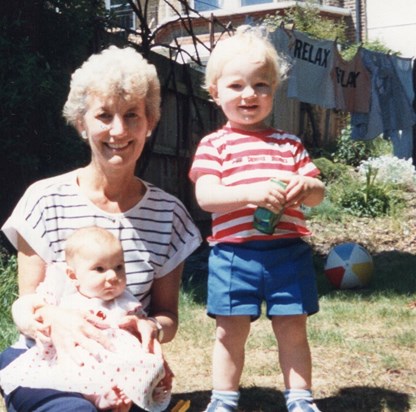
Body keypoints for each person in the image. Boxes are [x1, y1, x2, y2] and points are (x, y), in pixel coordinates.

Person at [0, 45, 202, 412]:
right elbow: (24, 304)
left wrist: (151, 328)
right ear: (81, 122)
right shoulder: (44, 200)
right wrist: (53, 318)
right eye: (104, 115)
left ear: (150, 121)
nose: (119, 130)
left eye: (132, 115)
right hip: (47, 362)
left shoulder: (169, 215)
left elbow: (168, 315)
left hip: (119, 368)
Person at [189, 27, 325, 412]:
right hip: (234, 255)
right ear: (215, 93)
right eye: (236, 86)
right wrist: (249, 194)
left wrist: (305, 185)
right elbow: (206, 197)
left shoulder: (290, 144)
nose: (249, 94)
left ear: (274, 90)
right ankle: (224, 399)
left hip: (287, 253)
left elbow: (317, 194)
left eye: (261, 85)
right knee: (228, 332)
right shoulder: (214, 145)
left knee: (293, 329)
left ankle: (300, 398)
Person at [1, 226, 172, 412]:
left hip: (116, 357)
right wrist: (38, 319)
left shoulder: (125, 300)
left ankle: (145, 392)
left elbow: (144, 330)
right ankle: (100, 399)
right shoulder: (63, 293)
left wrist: (148, 335)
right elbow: (29, 305)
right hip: (77, 356)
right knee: (77, 373)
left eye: (119, 267)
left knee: (144, 367)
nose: (113, 276)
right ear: (73, 276)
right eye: (99, 269)